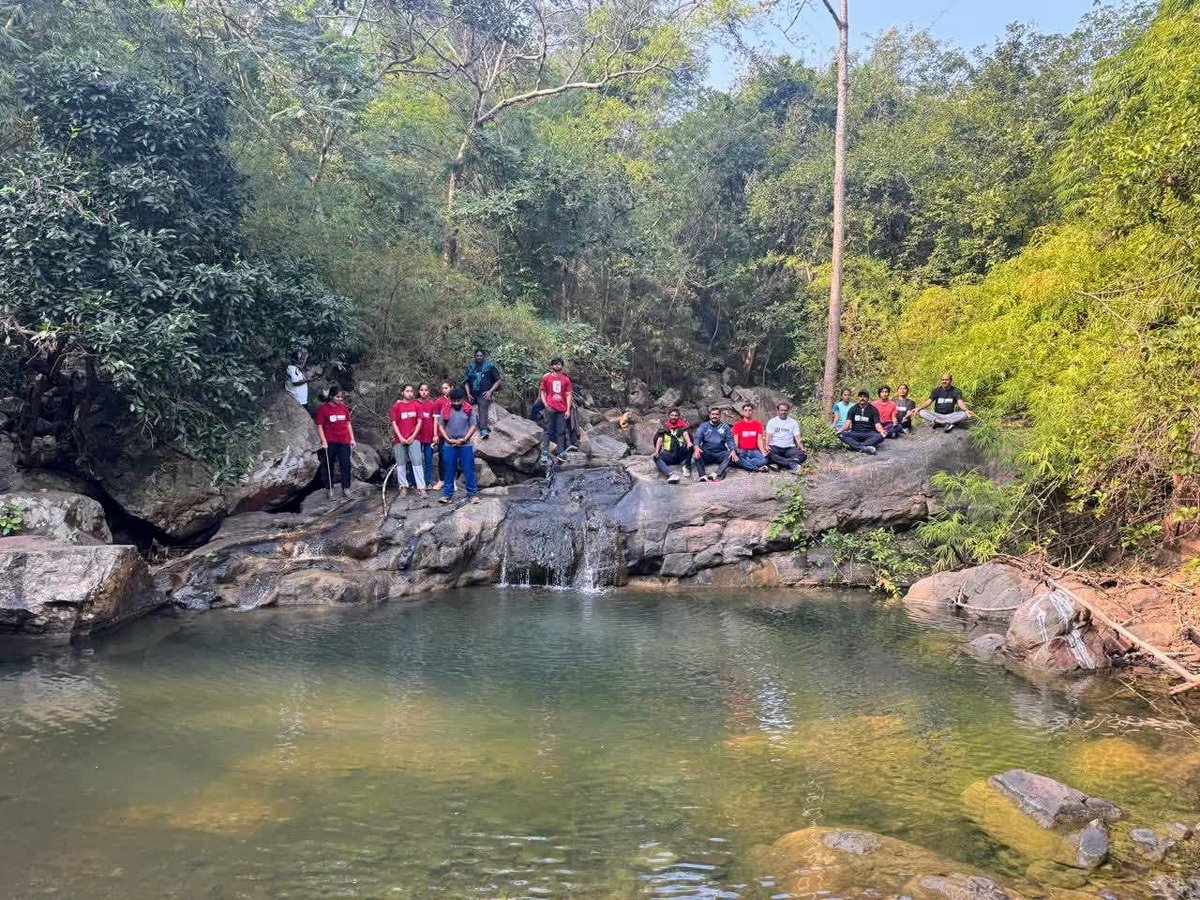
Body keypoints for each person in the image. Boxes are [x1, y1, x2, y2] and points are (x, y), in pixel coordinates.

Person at [437, 388, 479, 504]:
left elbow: (473, 425)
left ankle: (472, 494)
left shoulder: (468, 409)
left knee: (468, 469)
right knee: (449, 470)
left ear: (462, 399)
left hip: (465, 444)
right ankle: (447, 495)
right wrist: (447, 439)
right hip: (449, 444)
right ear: (450, 400)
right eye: (454, 401)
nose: (456, 403)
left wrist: (464, 439)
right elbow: (441, 426)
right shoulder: (445, 408)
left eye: (458, 401)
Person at [316, 386, 356, 495]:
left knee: (345, 464)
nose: (340, 399)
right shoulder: (324, 408)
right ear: (331, 396)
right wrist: (323, 441)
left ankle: (346, 488)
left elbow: (348, 423)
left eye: (341, 397)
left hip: (344, 440)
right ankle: (329, 489)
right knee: (329, 464)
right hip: (330, 441)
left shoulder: (343, 407)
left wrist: (352, 438)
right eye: (337, 397)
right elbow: (319, 425)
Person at [431, 380, 470, 490]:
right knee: (442, 457)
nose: (444, 390)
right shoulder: (439, 402)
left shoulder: (458, 400)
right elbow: (436, 419)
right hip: (443, 435)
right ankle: (441, 480)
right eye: (442, 388)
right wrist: (435, 434)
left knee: (455, 458)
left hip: (457, 434)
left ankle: (453, 481)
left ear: (452, 387)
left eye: (446, 388)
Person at [390, 384, 427, 498]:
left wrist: (413, 436)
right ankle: (403, 487)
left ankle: (421, 488)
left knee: (417, 463)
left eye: (411, 391)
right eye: (407, 391)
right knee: (401, 464)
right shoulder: (396, 406)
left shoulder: (417, 405)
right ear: (402, 393)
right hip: (399, 439)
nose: (409, 393)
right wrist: (400, 437)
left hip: (414, 438)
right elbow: (394, 422)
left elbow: (419, 422)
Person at [539, 357, 573, 464]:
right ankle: (544, 452)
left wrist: (568, 409)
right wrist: (545, 404)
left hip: (561, 409)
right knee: (547, 430)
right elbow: (543, 391)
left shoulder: (565, 379)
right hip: (550, 407)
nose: (557, 366)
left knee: (561, 431)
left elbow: (568, 395)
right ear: (551, 366)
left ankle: (561, 452)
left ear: (562, 366)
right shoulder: (547, 378)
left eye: (559, 364)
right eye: (554, 364)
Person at [463, 348, 502, 440]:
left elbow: (498, 380)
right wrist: (468, 394)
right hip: (472, 393)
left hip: (484, 393)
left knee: (483, 406)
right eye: (477, 356)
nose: (479, 357)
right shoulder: (471, 367)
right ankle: (462, 428)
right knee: (463, 406)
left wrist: (490, 391)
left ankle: (483, 430)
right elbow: (466, 382)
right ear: (474, 356)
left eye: (481, 356)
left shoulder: (490, 367)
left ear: (483, 356)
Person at [693, 406, 736, 481]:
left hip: (720, 453)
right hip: (707, 453)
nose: (714, 416)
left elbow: (730, 440)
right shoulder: (704, 426)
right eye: (713, 414)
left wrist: (733, 450)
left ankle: (716, 474)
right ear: (710, 415)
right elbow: (697, 437)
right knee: (697, 453)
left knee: (731, 454)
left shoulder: (725, 427)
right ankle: (703, 476)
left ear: (719, 415)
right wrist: (696, 447)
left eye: (716, 414)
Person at [837, 390, 887, 455]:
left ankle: (857, 446)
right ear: (858, 398)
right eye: (860, 396)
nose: (862, 398)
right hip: (855, 432)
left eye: (864, 396)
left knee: (880, 436)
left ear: (868, 398)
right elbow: (847, 423)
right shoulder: (853, 409)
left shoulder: (873, 410)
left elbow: (877, 424)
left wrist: (881, 431)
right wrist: (840, 430)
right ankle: (864, 448)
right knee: (841, 435)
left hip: (869, 433)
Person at [653, 409, 694, 483]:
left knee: (691, 447)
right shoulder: (664, 427)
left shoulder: (683, 426)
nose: (674, 417)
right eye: (672, 415)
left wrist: (688, 443)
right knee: (656, 458)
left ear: (678, 417)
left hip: (680, 453)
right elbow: (659, 440)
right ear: (668, 416)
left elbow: (686, 435)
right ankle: (671, 475)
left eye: (676, 415)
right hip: (669, 454)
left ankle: (687, 466)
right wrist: (656, 451)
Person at [766, 402, 807, 471]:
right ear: (778, 411)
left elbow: (797, 436)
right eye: (781, 410)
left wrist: (802, 447)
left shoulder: (793, 422)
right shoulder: (772, 422)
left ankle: (779, 463)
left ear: (788, 411)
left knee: (803, 455)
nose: (783, 412)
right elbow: (769, 434)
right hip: (775, 447)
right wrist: (766, 445)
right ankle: (792, 464)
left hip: (789, 448)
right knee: (768, 453)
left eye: (785, 410)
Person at [731, 403, 770, 472]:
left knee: (764, 460)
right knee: (735, 458)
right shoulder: (737, 425)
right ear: (743, 412)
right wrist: (735, 451)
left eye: (750, 410)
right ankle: (756, 468)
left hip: (754, 450)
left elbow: (759, 440)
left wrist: (762, 451)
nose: (748, 412)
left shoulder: (757, 424)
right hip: (742, 450)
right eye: (746, 410)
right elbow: (735, 441)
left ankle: (746, 462)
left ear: (752, 412)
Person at [416, 383, 438, 487]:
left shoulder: (432, 404)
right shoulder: (414, 403)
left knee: (428, 460)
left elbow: (435, 421)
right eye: (421, 390)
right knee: (416, 460)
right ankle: (414, 481)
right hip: (416, 436)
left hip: (429, 437)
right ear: (419, 391)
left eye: (425, 390)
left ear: (428, 391)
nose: (424, 392)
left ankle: (427, 481)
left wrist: (435, 435)